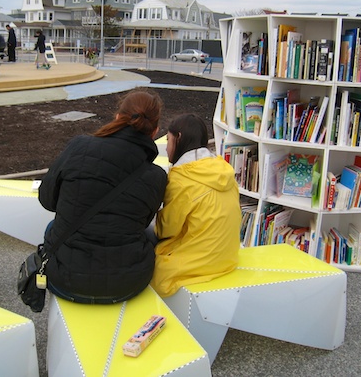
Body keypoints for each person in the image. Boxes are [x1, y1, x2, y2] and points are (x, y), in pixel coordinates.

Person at [38, 89, 168, 304]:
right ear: (154, 131)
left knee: (53, 228)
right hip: (128, 284)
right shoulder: (156, 176)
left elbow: (47, 201)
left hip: (64, 279)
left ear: (118, 117)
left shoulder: (79, 146)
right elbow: (142, 222)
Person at [150, 113, 241, 298]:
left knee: (145, 241)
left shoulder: (182, 178)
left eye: (168, 140)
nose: (167, 148)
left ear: (179, 138)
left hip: (198, 263)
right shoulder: (223, 169)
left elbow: (166, 230)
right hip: (227, 257)